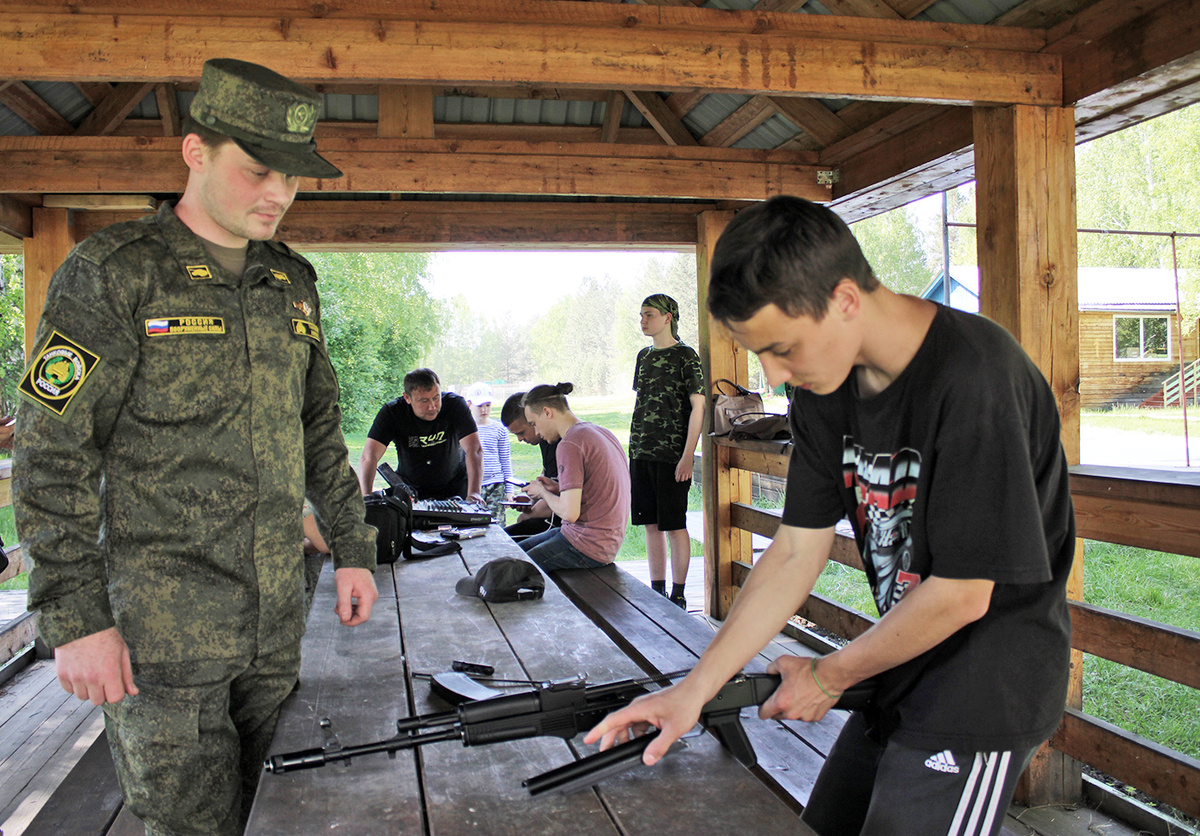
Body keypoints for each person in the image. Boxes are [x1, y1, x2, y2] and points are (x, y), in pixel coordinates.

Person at [587, 195, 1074, 836]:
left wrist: (826, 674)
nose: (772, 372)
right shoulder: (824, 392)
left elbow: (961, 595)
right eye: (757, 353)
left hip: (984, 695)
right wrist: (696, 690)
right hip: (898, 673)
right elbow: (793, 552)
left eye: (781, 348)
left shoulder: (975, 377)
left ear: (845, 300)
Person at [13, 58, 380, 836]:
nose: (278, 193)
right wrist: (74, 617)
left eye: (292, 176)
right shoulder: (116, 274)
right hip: (161, 634)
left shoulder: (292, 282)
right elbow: (54, 451)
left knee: (279, 813)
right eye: (257, 171)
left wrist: (352, 547)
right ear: (195, 153)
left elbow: (319, 428)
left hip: (276, 618)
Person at [629, 294, 705, 608]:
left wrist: (688, 455)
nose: (643, 320)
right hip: (641, 450)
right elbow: (642, 402)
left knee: (674, 524)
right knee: (650, 524)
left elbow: (698, 407)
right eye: (641, 315)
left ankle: (679, 594)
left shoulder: (686, 355)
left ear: (667, 318)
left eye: (648, 314)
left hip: (672, 455)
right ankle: (656, 590)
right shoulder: (643, 357)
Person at [519, 383, 631, 571]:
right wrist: (554, 488)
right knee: (512, 553)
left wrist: (542, 493)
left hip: (587, 546)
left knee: (512, 570)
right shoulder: (599, 431)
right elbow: (595, 488)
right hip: (601, 541)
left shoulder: (570, 443)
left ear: (547, 412)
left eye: (534, 423)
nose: (536, 432)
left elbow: (569, 513)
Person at [358, 368, 483, 502]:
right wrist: (366, 496)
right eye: (424, 401)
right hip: (410, 493)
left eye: (436, 398)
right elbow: (369, 456)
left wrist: (475, 493)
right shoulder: (392, 413)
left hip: (455, 489)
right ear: (407, 398)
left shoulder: (455, 405)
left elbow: (474, 449)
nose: (432, 406)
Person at [499, 391, 560, 538]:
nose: (520, 439)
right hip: (554, 511)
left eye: (522, 432)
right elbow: (548, 474)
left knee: (509, 541)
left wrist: (531, 513)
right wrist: (531, 498)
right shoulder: (544, 439)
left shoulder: (559, 442)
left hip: (563, 521)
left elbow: (567, 497)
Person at [464, 382, 512, 523]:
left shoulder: (499, 429)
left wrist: (509, 490)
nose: (484, 410)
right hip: (472, 484)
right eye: (480, 406)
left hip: (495, 484)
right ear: (469, 405)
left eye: (488, 405)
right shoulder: (464, 430)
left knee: (496, 524)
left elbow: (505, 459)